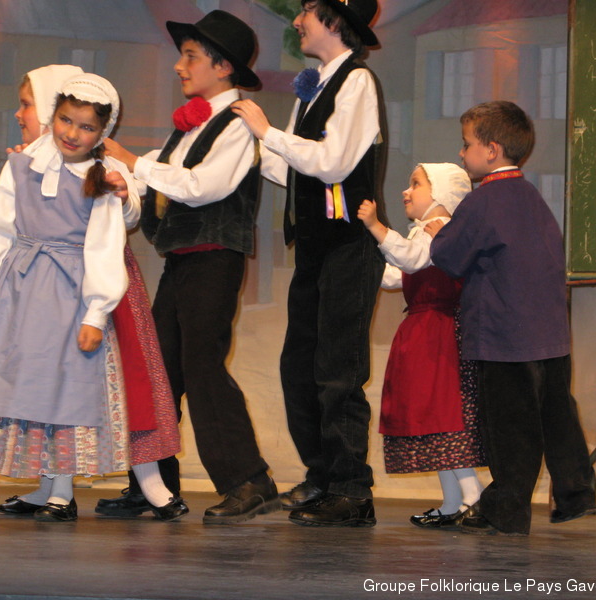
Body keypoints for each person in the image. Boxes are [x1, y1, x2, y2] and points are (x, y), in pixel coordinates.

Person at [0, 73, 184, 522]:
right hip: (20, 287)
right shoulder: (21, 165)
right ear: (54, 117)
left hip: (68, 291)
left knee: (60, 388)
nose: (72, 133)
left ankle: (59, 491)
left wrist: (95, 312)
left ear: (103, 131)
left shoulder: (102, 178)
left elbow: (105, 245)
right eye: (65, 120)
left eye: (86, 127)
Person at [100, 10, 278, 524]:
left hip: (214, 260)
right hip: (184, 262)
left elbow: (203, 187)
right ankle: (154, 485)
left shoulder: (238, 123)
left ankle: (249, 480)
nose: (180, 66)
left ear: (223, 67)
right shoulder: (191, 126)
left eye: (191, 56)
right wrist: (125, 180)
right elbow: (163, 179)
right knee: (159, 371)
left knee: (202, 367)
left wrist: (134, 163)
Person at [232, 0, 385, 527]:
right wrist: (248, 144)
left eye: (307, 14)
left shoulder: (357, 82)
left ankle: (351, 490)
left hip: (348, 246)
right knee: (299, 367)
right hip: (316, 249)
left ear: (335, 23)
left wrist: (267, 132)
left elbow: (333, 163)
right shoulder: (316, 86)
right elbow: (297, 170)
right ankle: (322, 475)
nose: (297, 22)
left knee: (338, 372)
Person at [427, 100, 596, 536]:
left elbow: (449, 255)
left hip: (504, 335)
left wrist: (439, 229)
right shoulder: (532, 197)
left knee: (511, 427)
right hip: (550, 333)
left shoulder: (483, 201)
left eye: (466, 144)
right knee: (556, 414)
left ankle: (507, 510)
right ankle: (575, 493)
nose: (461, 153)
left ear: (491, 150)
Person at [357, 163, 486, 529]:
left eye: (416, 184)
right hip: (424, 330)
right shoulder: (423, 233)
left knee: (443, 415)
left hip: (438, 333)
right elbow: (397, 274)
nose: (406, 191)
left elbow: (411, 260)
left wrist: (376, 227)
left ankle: (474, 496)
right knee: (433, 417)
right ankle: (453, 501)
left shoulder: (440, 230)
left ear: (441, 193)